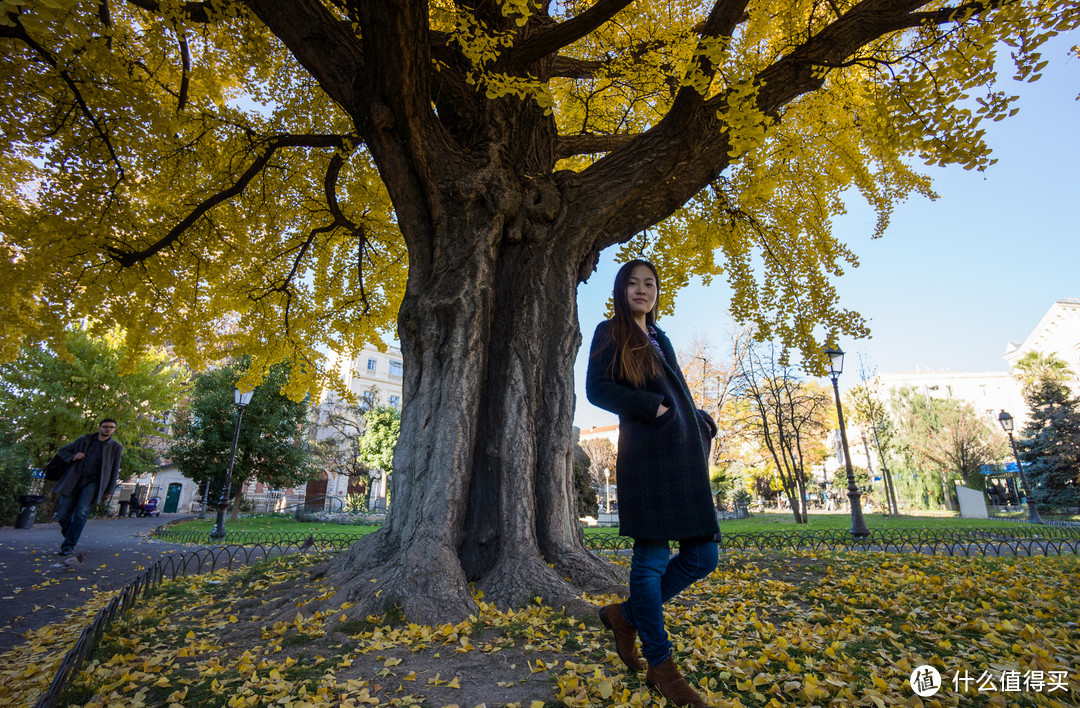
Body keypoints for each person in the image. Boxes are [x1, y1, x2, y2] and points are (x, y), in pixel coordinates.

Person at [586, 259, 719, 708]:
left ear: (657, 292)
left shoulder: (662, 338)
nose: (642, 290)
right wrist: (653, 408)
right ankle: (662, 667)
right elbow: (597, 389)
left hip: (681, 456)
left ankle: (624, 617)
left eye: (650, 284)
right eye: (633, 284)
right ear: (621, 291)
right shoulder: (610, 332)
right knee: (652, 559)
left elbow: (676, 386)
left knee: (703, 556)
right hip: (646, 455)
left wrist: (692, 414)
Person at [52, 419, 123, 555]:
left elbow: (115, 470)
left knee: (81, 513)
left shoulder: (116, 447)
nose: (108, 429)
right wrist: (74, 456)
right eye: (106, 426)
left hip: (93, 482)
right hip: (74, 479)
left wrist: (109, 490)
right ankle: (71, 536)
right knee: (62, 514)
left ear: (114, 429)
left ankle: (68, 546)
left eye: (112, 427)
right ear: (99, 427)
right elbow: (62, 451)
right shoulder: (84, 440)